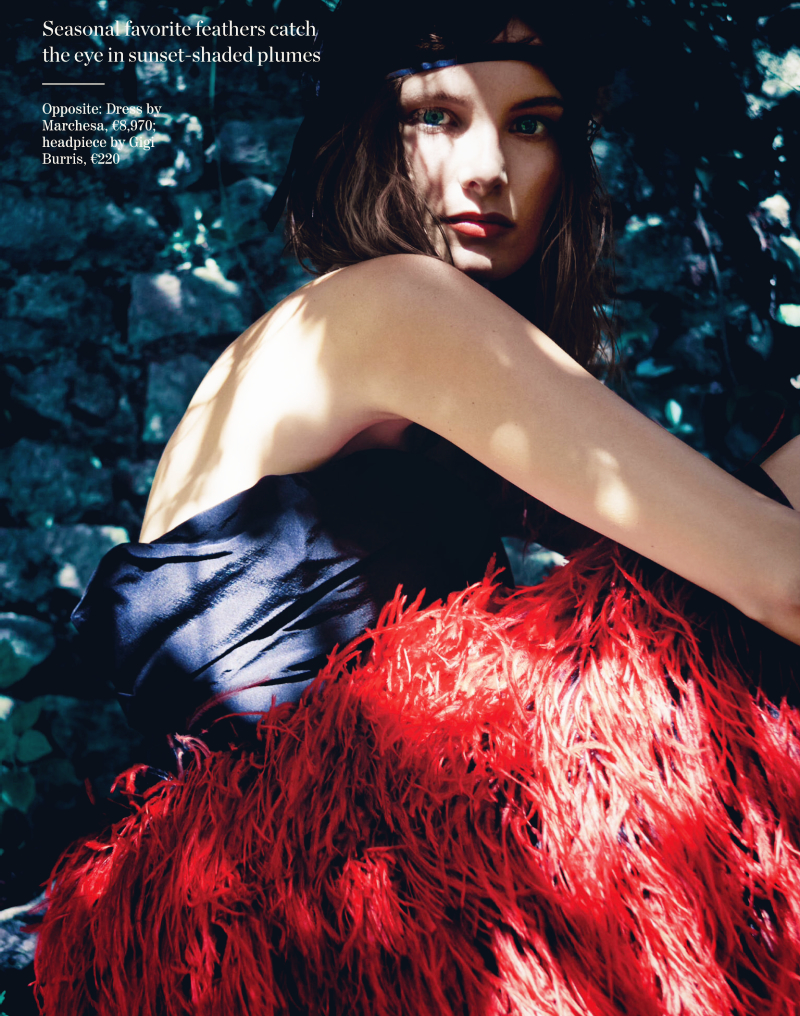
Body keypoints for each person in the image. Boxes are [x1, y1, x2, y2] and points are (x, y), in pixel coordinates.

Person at [33, 2, 800, 1014]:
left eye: (533, 124)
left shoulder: (346, 345)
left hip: (237, 919)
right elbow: (775, 577)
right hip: (334, 899)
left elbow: (669, 549)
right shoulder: (398, 303)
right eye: (438, 117)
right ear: (368, 140)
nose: (488, 168)